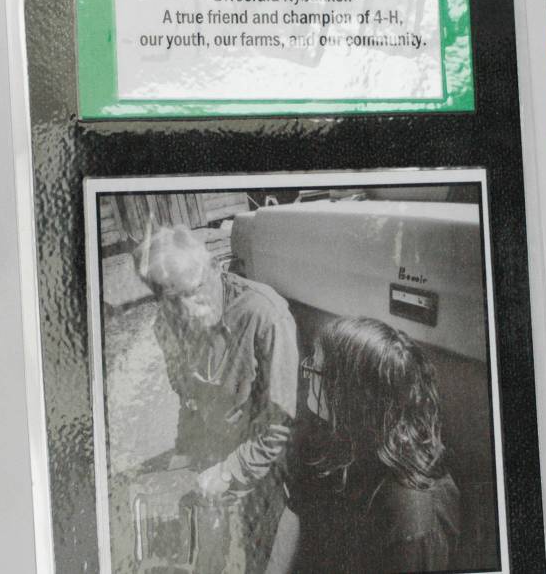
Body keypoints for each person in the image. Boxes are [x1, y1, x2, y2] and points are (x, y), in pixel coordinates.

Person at [133, 224, 299, 573]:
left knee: (263, 556)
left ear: (213, 267)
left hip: (265, 460)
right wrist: (185, 453)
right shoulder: (166, 326)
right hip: (211, 452)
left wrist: (229, 471)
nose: (191, 311)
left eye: (196, 291)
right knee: (198, 550)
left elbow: (279, 427)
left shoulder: (265, 315)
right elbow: (188, 398)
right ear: (159, 297)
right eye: (174, 299)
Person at [285, 316, 461, 573]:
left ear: (349, 393)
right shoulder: (333, 437)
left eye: (316, 367)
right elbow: (297, 517)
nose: (307, 372)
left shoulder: (412, 513)